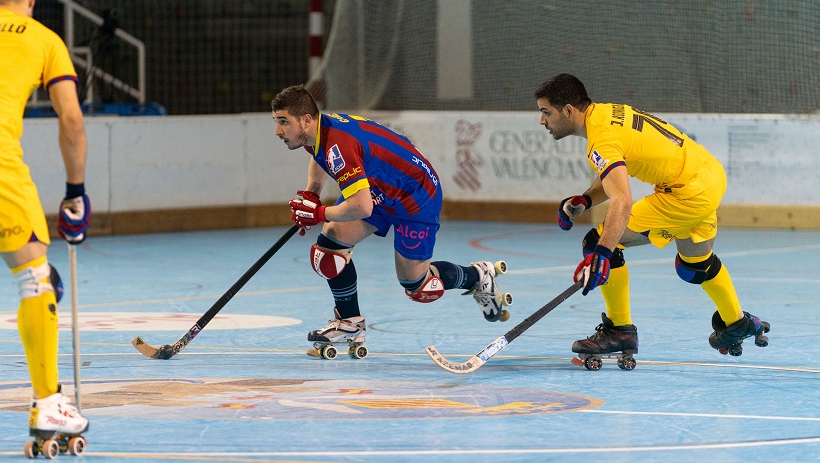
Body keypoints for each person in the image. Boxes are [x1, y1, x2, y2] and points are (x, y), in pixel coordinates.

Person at [534, 74, 769, 357]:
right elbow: (614, 177)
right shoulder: (608, 112)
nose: (542, 120)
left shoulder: (601, 140)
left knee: (597, 241)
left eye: (546, 112)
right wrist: (586, 199)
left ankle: (619, 331)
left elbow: (622, 198)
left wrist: (602, 253)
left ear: (569, 110)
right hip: (708, 175)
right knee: (694, 265)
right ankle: (736, 323)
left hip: (686, 193)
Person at [272, 85, 511, 351]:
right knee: (329, 250)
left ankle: (477, 276)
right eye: (276, 122)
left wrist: (317, 213)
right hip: (379, 189)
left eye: (284, 122)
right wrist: (311, 194)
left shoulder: (338, 142)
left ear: (306, 119)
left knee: (420, 287)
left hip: (415, 195)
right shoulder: (318, 132)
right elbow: (319, 156)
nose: (278, 131)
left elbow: (361, 207)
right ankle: (349, 322)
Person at [0, 0, 91, 438]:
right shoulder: (42, 39)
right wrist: (75, 193)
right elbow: (71, 120)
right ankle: (49, 405)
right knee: (37, 281)